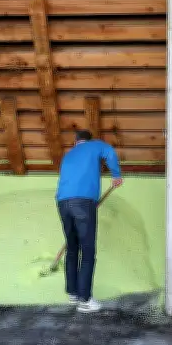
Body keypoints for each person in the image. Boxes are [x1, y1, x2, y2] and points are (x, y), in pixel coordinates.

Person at [55, 130, 123, 313]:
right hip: (83, 203)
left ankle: (73, 292)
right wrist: (116, 175)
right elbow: (110, 152)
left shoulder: (68, 155)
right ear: (89, 140)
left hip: (62, 203)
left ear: (75, 141)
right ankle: (85, 300)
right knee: (87, 250)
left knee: (72, 247)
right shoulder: (95, 145)